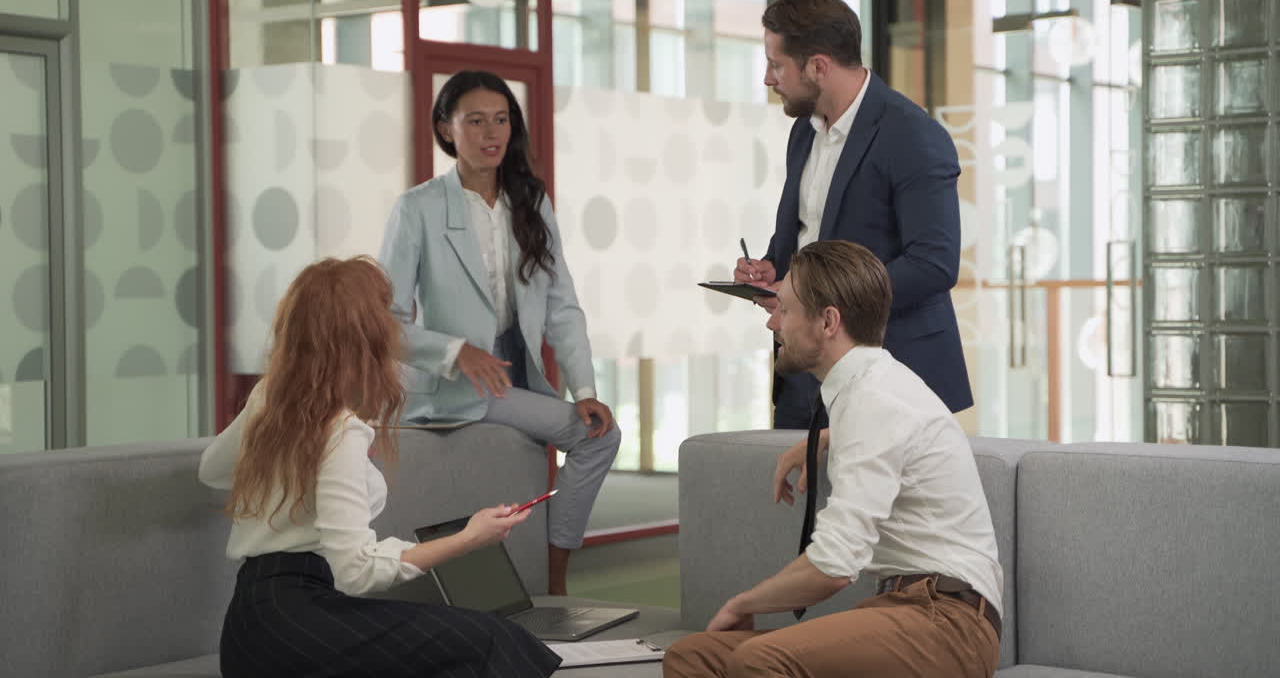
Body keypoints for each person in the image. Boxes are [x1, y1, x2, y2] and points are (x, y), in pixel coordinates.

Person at [199, 256, 561, 678]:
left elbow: (213, 470)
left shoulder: (268, 398)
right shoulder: (340, 430)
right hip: (297, 623)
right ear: (363, 338)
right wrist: (469, 538)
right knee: (492, 640)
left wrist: (287, 462)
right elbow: (356, 571)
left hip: (249, 627)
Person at [666, 240, 1002, 678]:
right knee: (692, 656)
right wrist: (826, 438)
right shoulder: (866, 396)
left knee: (757, 659)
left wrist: (743, 602)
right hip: (903, 607)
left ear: (827, 321)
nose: (773, 323)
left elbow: (834, 566)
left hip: (949, 623)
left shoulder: (875, 400)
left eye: (783, 309)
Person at [378, 69, 621, 596]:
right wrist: (453, 351)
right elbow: (384, 322)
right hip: (452, 387)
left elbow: (562, 305)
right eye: (475, 121)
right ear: (446, 130)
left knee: (598, 428)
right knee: (595, 441)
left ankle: (550, 569)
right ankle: (557, 583)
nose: (492, 134)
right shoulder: (417, 207)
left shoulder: (530, 202)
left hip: (516, 379)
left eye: (502, 120)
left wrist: (585, 391)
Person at [734, 0, 972, 429]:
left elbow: (934, 264)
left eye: (776, 64)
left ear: (818, 67)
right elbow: (810, 236)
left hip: (894, 373)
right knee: (802, 496)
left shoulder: (913, 135)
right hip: (807, 369)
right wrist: (770, 268)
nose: (768, 78)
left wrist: (814, 296)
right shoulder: (804, 134)